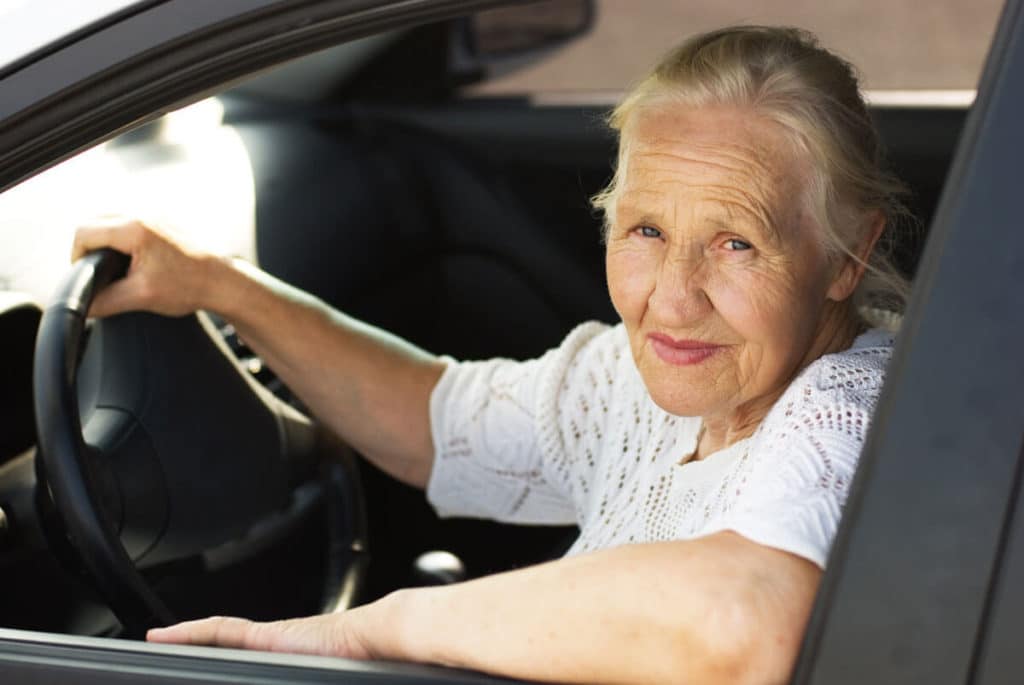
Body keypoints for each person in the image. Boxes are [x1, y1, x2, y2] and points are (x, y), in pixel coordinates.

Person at [72, 25, 910, 685]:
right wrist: (221, 286)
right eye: (647, 229)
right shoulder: (647, 377)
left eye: (736, 243)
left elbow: (746, 623)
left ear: (846, 257)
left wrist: (373, 628)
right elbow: (437, 421)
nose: (674, 296)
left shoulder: (859, 407)